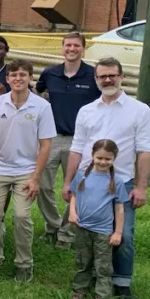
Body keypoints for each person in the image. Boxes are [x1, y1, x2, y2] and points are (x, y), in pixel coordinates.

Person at [64, 58, 150, 299]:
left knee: (123, 235)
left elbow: (145, 151)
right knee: (90, 232)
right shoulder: (87, 111)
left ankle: (122, 283)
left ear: (121, 76)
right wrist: (68, 183)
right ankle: (93, 276)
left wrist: (141, 187)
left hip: (121, 182)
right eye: (102, 76)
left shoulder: (140, 110)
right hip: (88, 183)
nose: (107, 80)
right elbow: (77, 148)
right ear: (96, 80)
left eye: (112, 75)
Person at [0, 59, 55, 281]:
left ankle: (24, 263)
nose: (18, 79)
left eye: (23, 75)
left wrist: (35, 178)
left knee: (22, 216)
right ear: (7, 79)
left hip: (26, 170)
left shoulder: (42, 106)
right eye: (14, 75)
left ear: (30, 78)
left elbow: (45, 146)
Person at [36, 32, 100, 248]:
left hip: (81, 141)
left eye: (76, 45)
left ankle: (66, 233)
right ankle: (53, 225)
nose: (71, 49)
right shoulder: (50, 73)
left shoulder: (93, 75)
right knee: (42, 185)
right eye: (67, 45)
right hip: (52, 138)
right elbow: (37, 95)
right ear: (62, 48)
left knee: (76, 186)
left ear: (83, 48)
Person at [69, 139, 129, 299]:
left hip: (103, 231)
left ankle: (102, 296)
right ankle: (79, 290)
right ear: (93, 156)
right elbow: (74, 196)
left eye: (108, 159)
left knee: (103, 265)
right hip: (82, 227)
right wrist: (72, 213)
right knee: (83, 261)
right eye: (99, 158)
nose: (103, 162)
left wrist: (117, 232)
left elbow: (119, 209)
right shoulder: (82, 175)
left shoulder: (116, 181)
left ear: (114, 159)